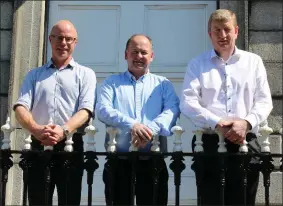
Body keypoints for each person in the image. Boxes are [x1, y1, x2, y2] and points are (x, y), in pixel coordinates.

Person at [180, 9, 273, 206]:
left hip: (246, 142)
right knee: (210, 200)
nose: (222, 35)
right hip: (210, 143)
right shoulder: (197, 64)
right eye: (216, 30)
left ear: (236, 31)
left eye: (226, 29)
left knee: (244, 200)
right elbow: (188, 102)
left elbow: (264, 100)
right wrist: (217, 123)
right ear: (209, 34)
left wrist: (246, 123)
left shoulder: (253, 62)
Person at [13, 20, 96, 205]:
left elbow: (86, 110)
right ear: (50, 40)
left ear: (75, 42)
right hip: (38, 144)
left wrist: (63, 131)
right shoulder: (34, 75)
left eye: (68, 39)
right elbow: (20, 108)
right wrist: (36, 130)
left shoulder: (86, 74)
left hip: (70, 145)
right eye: (59, 38)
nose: (63, 43)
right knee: (38, 201)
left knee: (69, 201)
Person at [96, 34, 180, 205]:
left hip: (153, 163)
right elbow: (103, 110)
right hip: (119, 163)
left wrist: (148, 131)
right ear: (126, 54)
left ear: (151, 56)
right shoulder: (111, 83)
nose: (139, 57)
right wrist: (133, 125)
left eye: (143, 52)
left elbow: (172, 110)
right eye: (134, 52)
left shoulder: (163, 84)